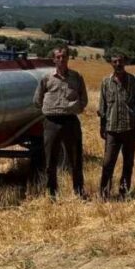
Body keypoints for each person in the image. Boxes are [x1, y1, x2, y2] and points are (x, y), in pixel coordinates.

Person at [32, 46, 89, 199]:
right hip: (51, 123)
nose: (61, 59)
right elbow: (37, 100)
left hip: (71, 122)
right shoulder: (46, 78)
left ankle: (79, 192)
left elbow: (84, 99)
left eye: (64, 56)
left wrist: (74, 107)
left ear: (68, 58)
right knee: (51, 161)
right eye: (58, 57)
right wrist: (49, 108)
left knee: (75, 159)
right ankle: (52, 194)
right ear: (53, 59)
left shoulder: (77, 77)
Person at [97, 50, 135, 200]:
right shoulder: (105, 82)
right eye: (115, 61)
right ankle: (104, 194)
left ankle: (124, 192)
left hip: (130, 128)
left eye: (120, 61)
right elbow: (102, 107)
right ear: (111, 63)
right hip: (112, 130)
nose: (118, 64)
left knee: (128, 163)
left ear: (125, 62)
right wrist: (102, 126)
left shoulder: (133, 81)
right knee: (108, 162)